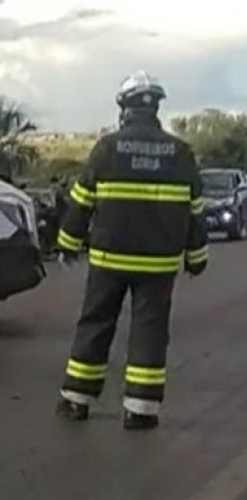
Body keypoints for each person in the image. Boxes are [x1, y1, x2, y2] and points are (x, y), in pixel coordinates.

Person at [54, 72, 209, 430]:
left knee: (95, 322)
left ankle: (77, 399)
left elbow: (81, 202)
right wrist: (196, 258)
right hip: (159, 264)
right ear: (156, 107)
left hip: (109, 259)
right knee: (150, 331)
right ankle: (141, 409)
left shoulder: (108, 148)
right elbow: (195, 212)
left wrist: (67, 244)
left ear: (124, 107)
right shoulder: (181, 153)